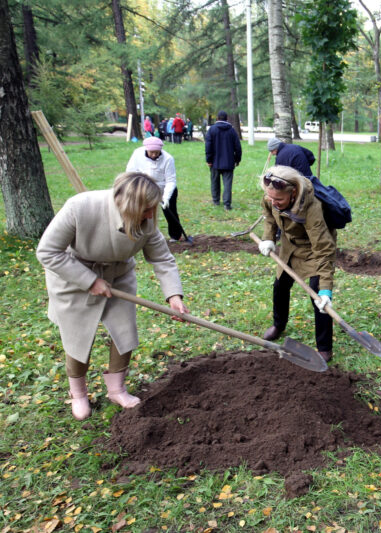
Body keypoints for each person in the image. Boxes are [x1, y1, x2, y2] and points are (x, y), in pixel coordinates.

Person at [36, 172, 189, 420]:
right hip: (73, 275)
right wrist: (89, 281)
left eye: (152, 208)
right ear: (128, 205)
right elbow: (48, 252)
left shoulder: (147, 221)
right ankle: (78, 393)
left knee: (123, 330)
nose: (151, 215)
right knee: (78, 335)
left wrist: (173, 296)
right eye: (146, 209)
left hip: (118, 275)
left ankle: (116, 389)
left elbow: (162, 258)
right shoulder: (80, 207)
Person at [258, 166, 336, 362]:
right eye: (271, 198)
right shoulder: (271, 197)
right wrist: (268, 238)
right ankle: (279, 324)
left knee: (318, 296)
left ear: (293, 193)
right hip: (288, 246)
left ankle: (324, 347)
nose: (274, 203)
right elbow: (269, 217)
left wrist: (326, 289)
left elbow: (324, 248)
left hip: (313, 248)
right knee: (280, 285)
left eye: (279, 200)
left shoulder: (312, 208)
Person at [126, 137, 192, 244]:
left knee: (170, 212)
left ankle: (176, 235)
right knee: (143, 212)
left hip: (164, 189)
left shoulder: (168, 159)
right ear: (146, 149)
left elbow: (171, 180)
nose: (154, 155)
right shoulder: (137, 154)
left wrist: (166, 198)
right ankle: (140, 235)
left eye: (157, 152)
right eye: (152, 152)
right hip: (144, 189)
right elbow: (130, 172)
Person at [205, 111, 242, 211]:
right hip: (229, 162)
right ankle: (227, 204)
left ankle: (216, 201)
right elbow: (238, 147)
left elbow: (208, 146)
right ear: (227, 119)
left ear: (217, 118)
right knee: (227, 184)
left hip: (215, 162)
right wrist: (237, 159)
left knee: (214, 181)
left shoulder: (212, 130)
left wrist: (208, 159)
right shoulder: (232, 131)